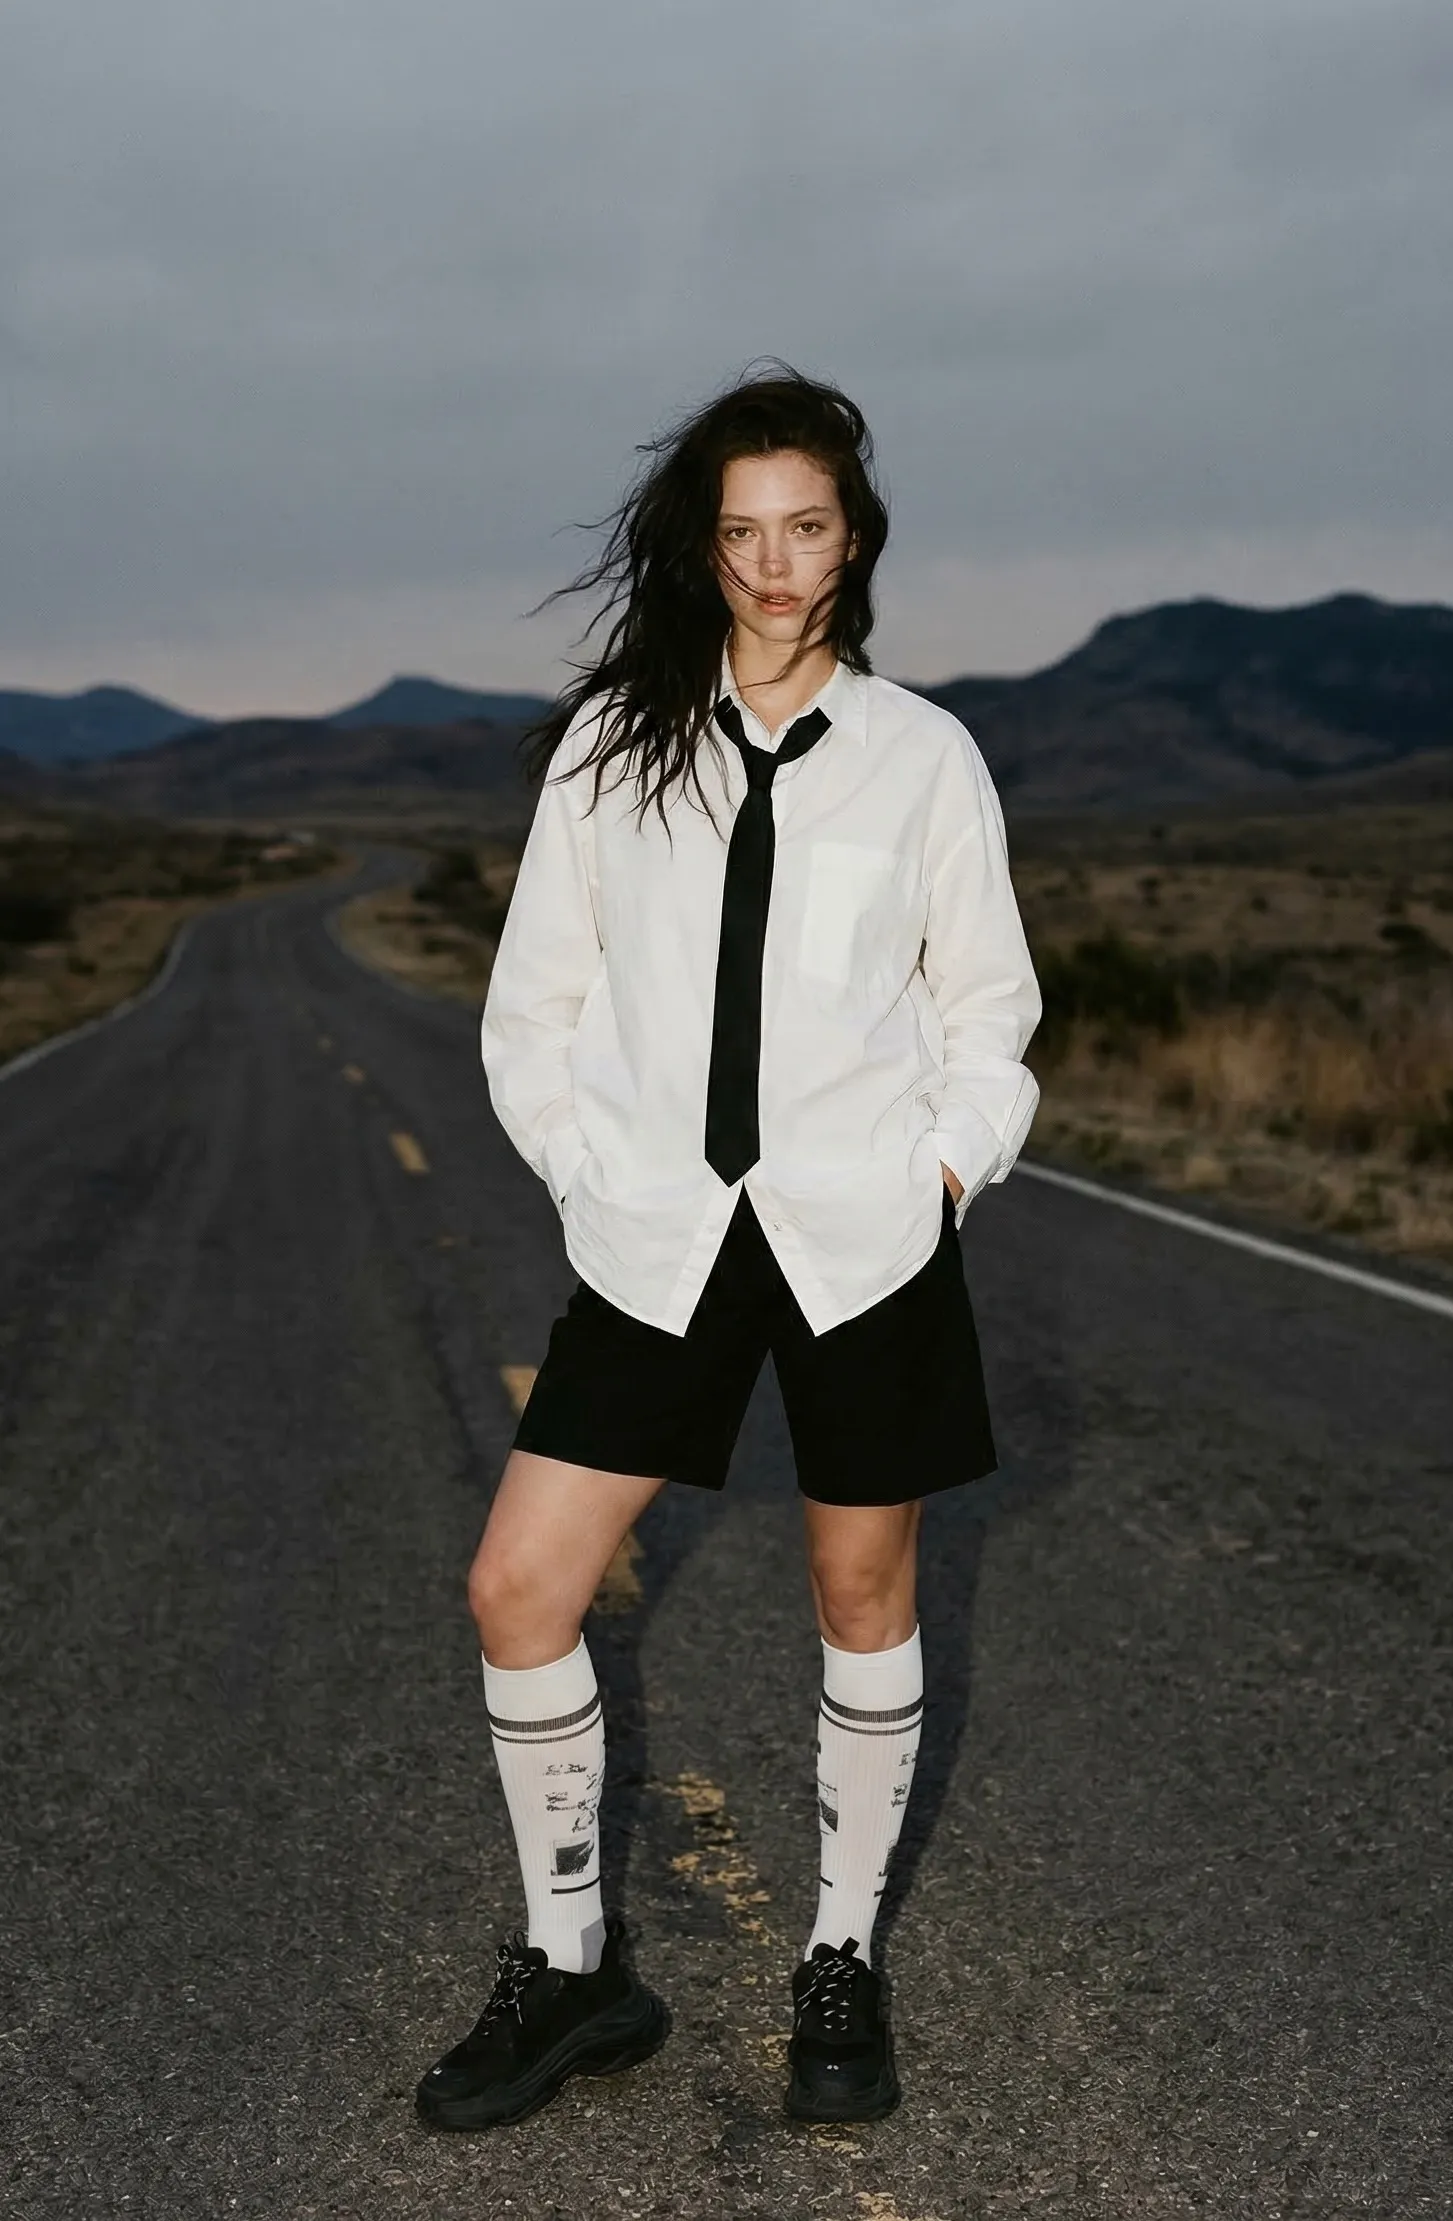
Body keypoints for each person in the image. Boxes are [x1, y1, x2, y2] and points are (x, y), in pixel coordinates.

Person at [416, 366, 1041, 2133]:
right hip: (661, 1238)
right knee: (517, 1588)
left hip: (864, 1238)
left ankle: (841, 1951)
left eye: (809, 529)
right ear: (707, 547)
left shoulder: (927, 758)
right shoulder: (615, 756)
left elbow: (989, 1009)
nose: (777, 567)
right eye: (744, 532)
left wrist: (940, 1175)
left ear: (856, 539)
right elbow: (531, 1008)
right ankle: (572, 1967)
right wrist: (585, 1172)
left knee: (865, 1595)